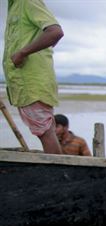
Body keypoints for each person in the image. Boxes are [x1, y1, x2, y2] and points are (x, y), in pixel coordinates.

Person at [3, 0, 64, 154]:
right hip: (24, 82)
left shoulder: (27, 2)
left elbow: (55, 32)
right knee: (45, 128)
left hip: (32, 81)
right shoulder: (14, 5)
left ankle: (57, 174)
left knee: (44, 130)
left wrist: (24, 52)